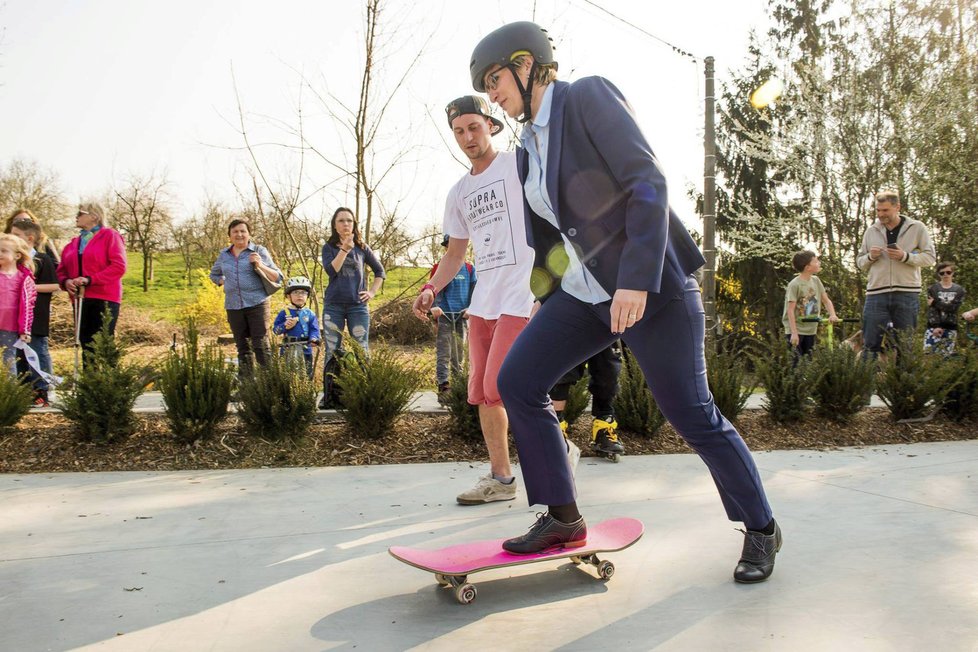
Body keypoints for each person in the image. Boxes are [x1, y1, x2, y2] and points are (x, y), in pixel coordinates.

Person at [470, 21, 781, 583]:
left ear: (527, 63)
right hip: (584, 296)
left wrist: (635, 280)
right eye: (486, 85)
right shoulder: (523, 153)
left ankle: (760, 527)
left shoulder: (586, 97)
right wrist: (545, 297)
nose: (491, 94)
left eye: (494, 79)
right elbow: (550, 241)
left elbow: (648, 182)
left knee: (692, 413)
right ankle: (561, 517)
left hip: (651, 286)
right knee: (517, 380)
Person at [413, 95, 537, 506]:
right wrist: (431, 287)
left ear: (491, 125)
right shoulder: (459, 193)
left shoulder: (517, 165)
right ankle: (501, 481)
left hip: (522, 293)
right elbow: (455, 254)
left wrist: (549, 286)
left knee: (505, 386)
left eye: (474, 127)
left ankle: (558, 450)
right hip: (484, 299)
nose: (467, 137)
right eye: (459, 131)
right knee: (483, 394)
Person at [319, 208, 385, 408]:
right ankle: (330, 396)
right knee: (332, 349)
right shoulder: (328, 247)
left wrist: (372, 292)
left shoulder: (362, 247)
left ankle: (366, 393)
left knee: (361, 349)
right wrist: (345, 249)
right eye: (341, 221)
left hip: (358, 307)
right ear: (335, 225)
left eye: (349, 220)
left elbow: (379, 271)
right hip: (334, 306)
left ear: (354, 224)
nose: (346, 224)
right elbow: (332, 270)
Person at [856, 190, 935, 357]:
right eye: (878, 210)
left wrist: (905, 256)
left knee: (905, 346)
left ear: (897, 207)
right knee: (870, 344)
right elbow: (860, 263)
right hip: (876, 293)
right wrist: (870, 257)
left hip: (907, 293)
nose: (880, 214)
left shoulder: (917, 228)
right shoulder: (871, 231)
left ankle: (903, 383)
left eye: (885, 210)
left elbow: (930, 258)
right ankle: (866, 382)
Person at [209, 218, 282, 377]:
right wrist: (223, 282)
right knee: (243, 347)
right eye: (235, 231)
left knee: (261, 345)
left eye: (243, 231)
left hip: (257, 303)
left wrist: (260, 264)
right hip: (233, 306)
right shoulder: (224, 255)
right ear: (229, 235)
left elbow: (278, 276)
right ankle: (247, 388)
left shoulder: (258, 250)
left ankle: (269, 384)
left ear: (249, 234)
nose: (239, 234)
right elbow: (214, 274)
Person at [56, 201, 127, 353]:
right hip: (80, 298)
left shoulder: (110, 236)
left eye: (80, 213)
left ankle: (108, 376)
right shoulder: (73, 243)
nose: (76, 216)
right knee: (85, 343)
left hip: (104, 298)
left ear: (94, 216)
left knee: (101, 343)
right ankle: (89, 376)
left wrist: (90, 279)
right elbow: (61, 270)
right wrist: (66, 281)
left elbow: (118, 266)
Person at [9, 218, 59, 406]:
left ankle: (42, 390)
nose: (12, 239)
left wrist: (28, 288)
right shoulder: (13, 261)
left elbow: (54, 285)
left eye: (16, 236)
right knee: (18, 354)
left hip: (36, 316)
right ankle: (25, 391)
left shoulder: (41, 259)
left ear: (29, 239)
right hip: (16, 317)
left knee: (38, 351)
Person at [550, 342, 623, 461]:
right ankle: (556, 429)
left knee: (608, 371)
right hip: (569, 325)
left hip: (606, 326)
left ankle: (603, 427)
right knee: (561, 372)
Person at [428, 234, 477, 402]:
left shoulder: (470, 269)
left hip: (462, 316)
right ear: (446, 246)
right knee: (444, 353)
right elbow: (432, 290)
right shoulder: (439, 268)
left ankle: (458, 386)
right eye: (450, 244)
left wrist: (471, 308)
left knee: (460, 354)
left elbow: (475, 292)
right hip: (444, 316)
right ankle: (444, 386)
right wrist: (433, 307)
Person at [783, 250, 839, 357]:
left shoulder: (816, 281)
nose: (819, 263)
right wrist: (794, 333)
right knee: (796, 364)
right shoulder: (795, 285)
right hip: (796, 330)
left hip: (810, 329)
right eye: (816, 261)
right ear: (807, 267)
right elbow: (790, 310)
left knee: (808, 363)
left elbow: (826, 301)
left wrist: (832, 314)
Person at [0, 233, 36, 376]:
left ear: (17, 256)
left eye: (4, 251)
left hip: (10, 326)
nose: (0, 253)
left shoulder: (24, 279)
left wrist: (25, 330)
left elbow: (28, 306)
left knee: (8, 359)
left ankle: (9, 394)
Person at [272, 276, 321, 378]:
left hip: (305, 348)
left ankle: (305, 391)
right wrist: (284, 326)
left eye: (303, 293)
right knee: (288, 374)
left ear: (308, 296)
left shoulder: (310, 314)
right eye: (295, 292)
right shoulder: (284, 313)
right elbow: (276, 330)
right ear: (289, 296)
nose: (300, 295)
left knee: (306, 374)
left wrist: (314, 338)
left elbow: (314, 329)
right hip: (288, 348)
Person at [923, 262, 966, 355]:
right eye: (942, 273)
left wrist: (935, 303)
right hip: (933, 327)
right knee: (929, 356)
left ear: (953, 273)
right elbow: (932, 310)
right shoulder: (932, 289)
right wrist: (936, 326)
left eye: (948, 272)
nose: (945, 275)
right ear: (938, 274)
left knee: (946, 358)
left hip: (951, 326)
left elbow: (953, 308)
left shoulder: (960, 290)